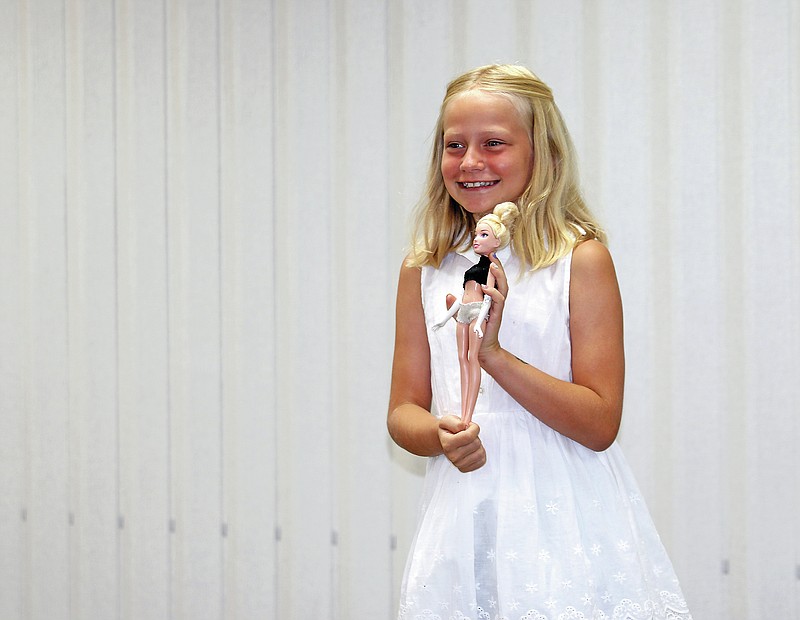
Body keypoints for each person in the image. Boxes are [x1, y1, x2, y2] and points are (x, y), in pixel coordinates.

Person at [387, 64, 692, 620]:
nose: (471, 161)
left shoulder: (579, 260)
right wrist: (438, 434)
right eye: (454, 145)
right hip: (463, 517)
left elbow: (600, 423)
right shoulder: (426, 268)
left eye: (494, 143)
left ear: (542, 152)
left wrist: (494, 357)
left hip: (565, 521)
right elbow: (402, 411)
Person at [432, 202, 519, 427]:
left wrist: (481, 321)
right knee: (462, 357)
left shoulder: (492, 268)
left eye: (484, 234)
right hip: (464, 311)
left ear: (497, 242)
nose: (477, 239)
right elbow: (463, 297)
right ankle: (464, 414)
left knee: (473, 359)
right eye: (477, 234)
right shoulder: (474, 267)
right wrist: (444, 318)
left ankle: (467, 415)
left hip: (478, 313)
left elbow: (489, 296)